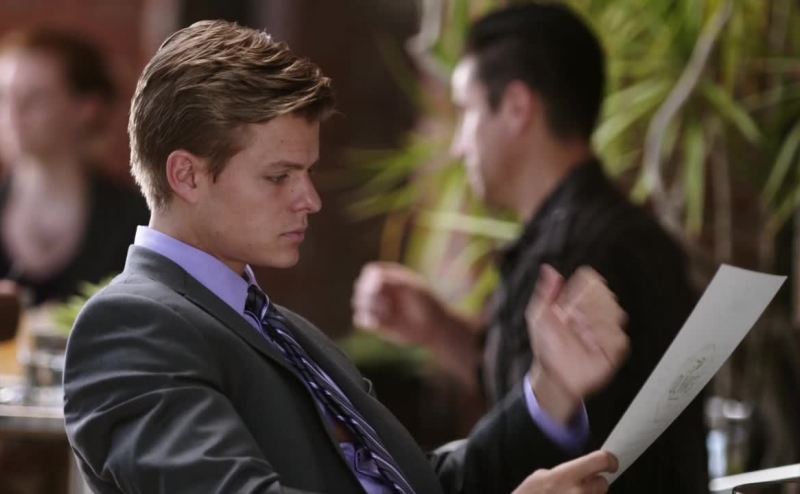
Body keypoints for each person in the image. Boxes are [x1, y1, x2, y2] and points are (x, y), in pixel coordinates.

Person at [63, 19, 630, 494]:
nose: (310, 199)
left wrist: (551, 389)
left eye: (307, 172)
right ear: (186, 175)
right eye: (279, 176)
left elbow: (417, 485)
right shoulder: (129, 327)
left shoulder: (288, 333)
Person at [353, 4, 708, 493]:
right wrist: (435, 326)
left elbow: (554, 441)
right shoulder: (589, 234)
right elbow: (529, 398)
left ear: (517, 107)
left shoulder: (591, 253)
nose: (459, 145)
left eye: (466, 111)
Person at [0, 28, 149, 306]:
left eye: (36, 97)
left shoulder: (137, 219)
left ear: (87, 108)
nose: (13, 114)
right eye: (4, 97)